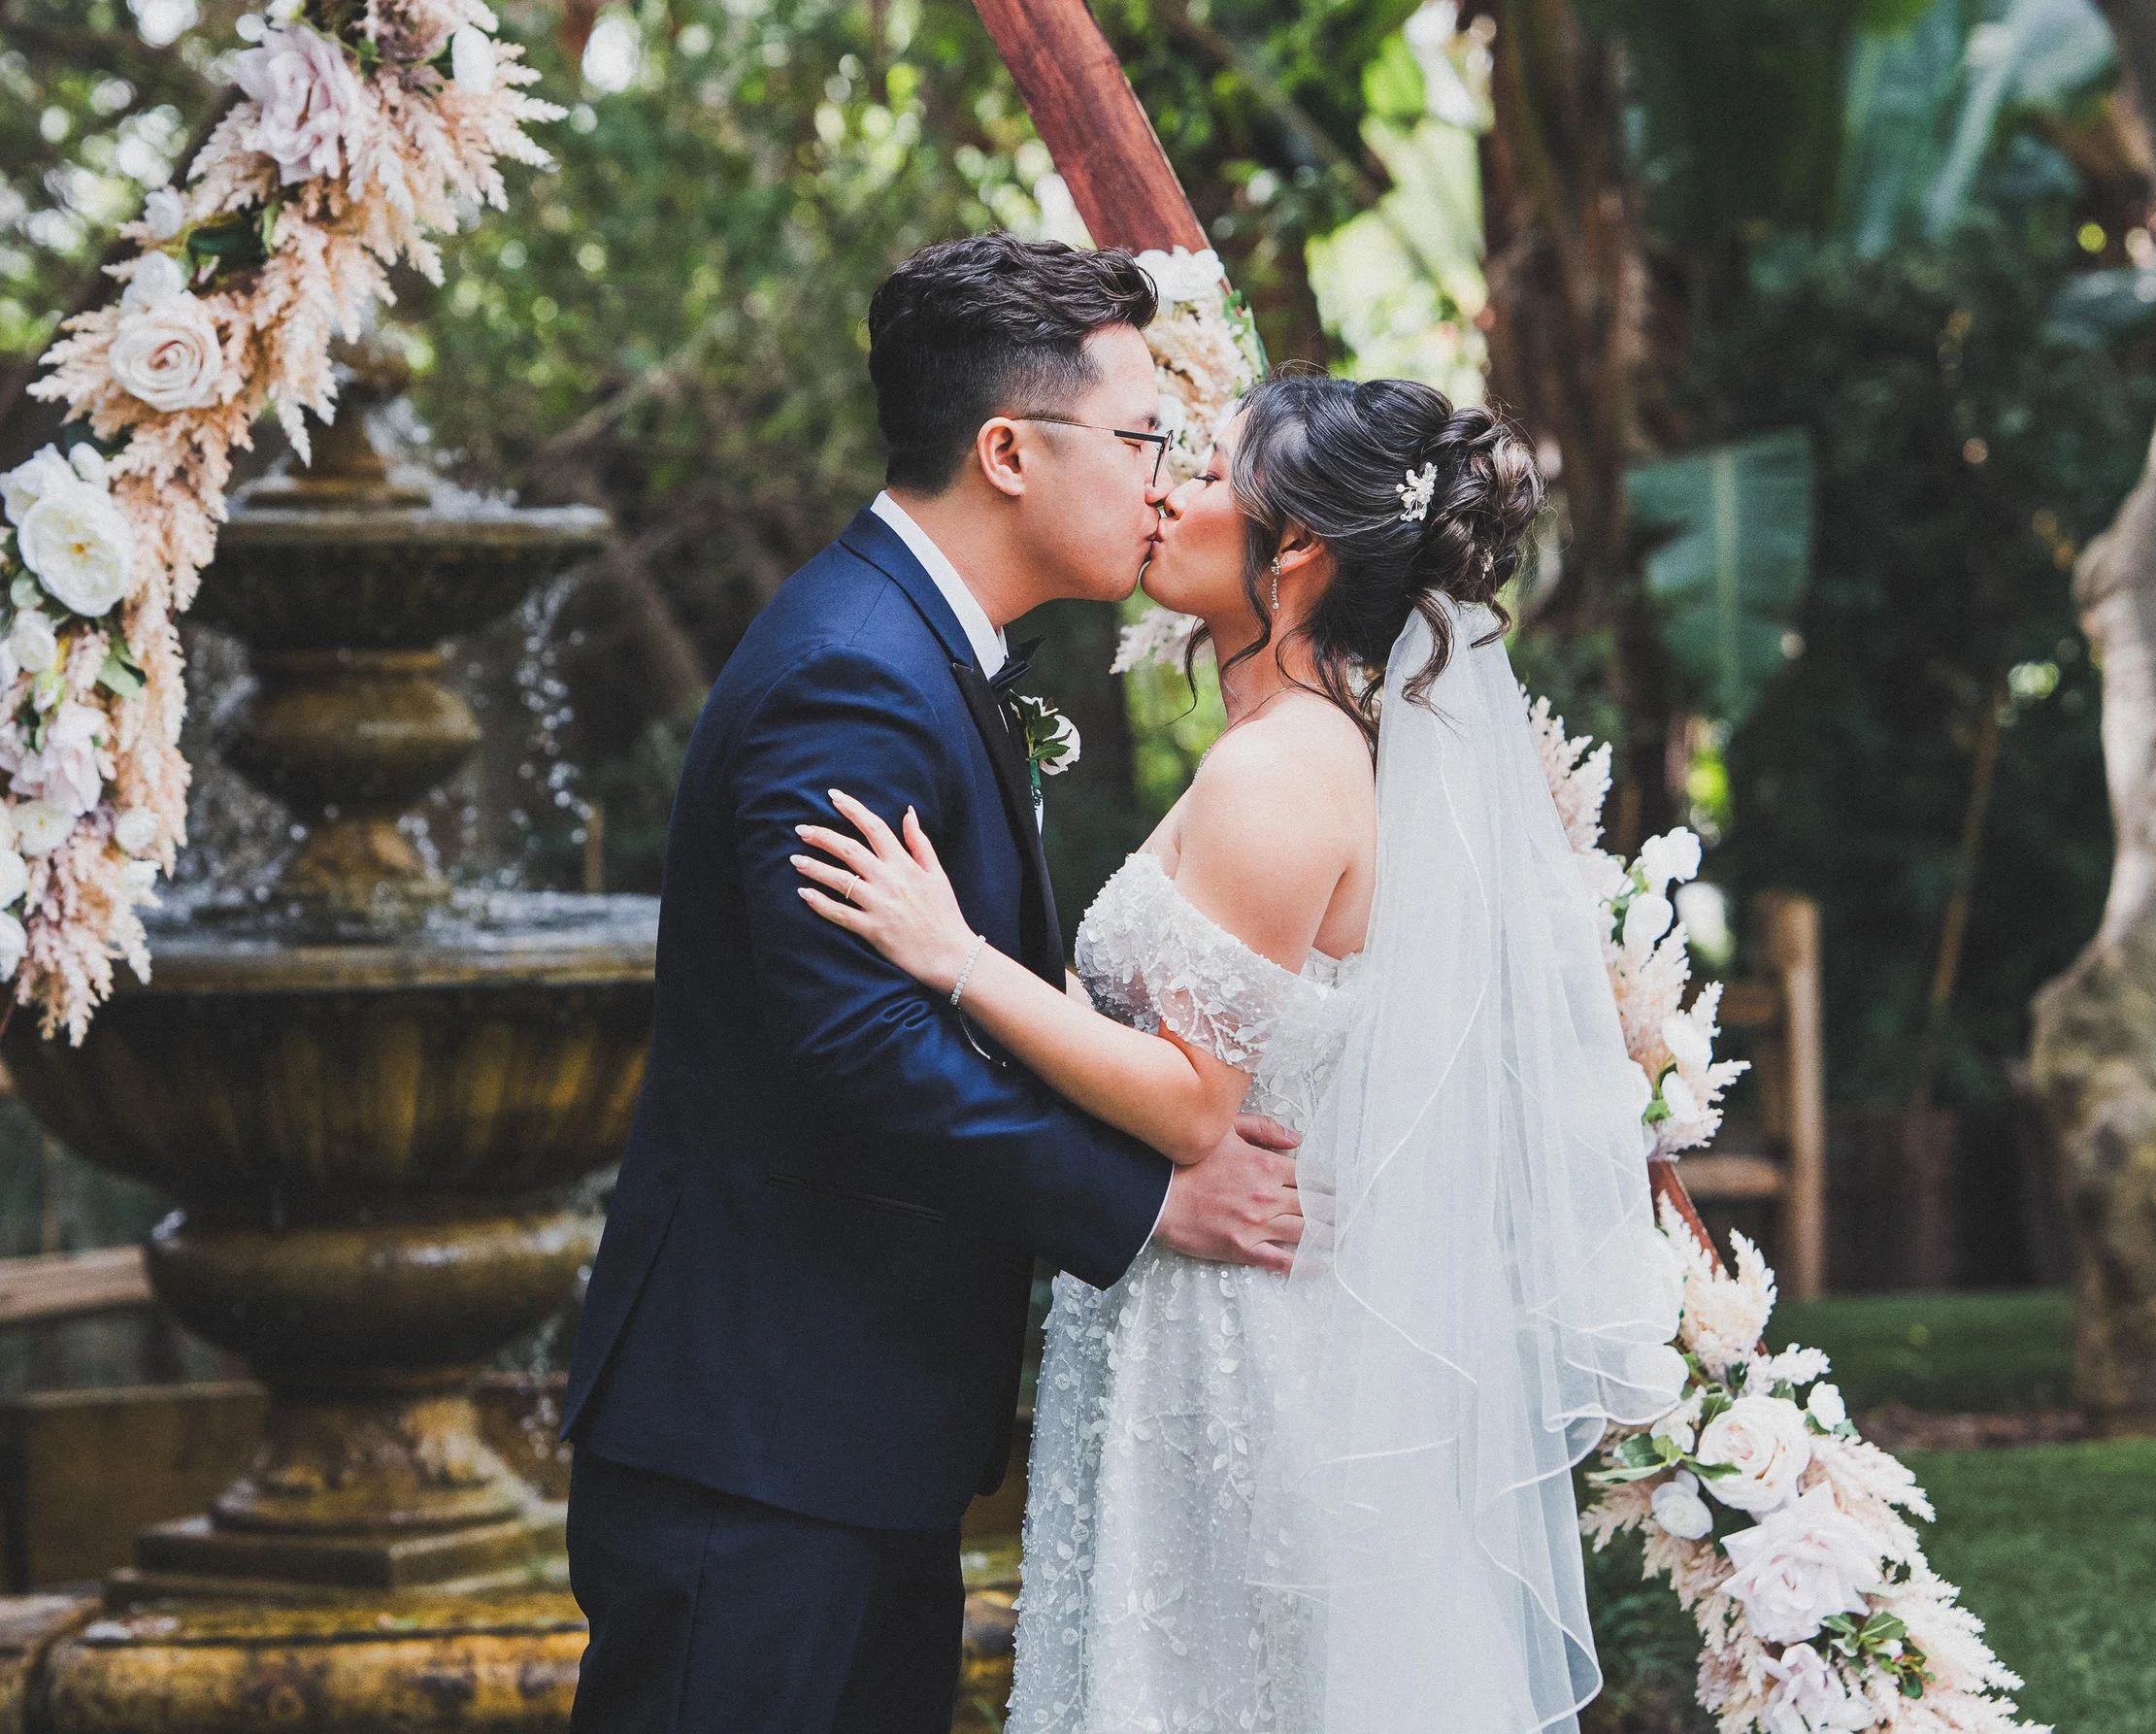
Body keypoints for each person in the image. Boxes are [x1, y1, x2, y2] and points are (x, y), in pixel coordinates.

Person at [798, 374, 1689, 1733]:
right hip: (1204, 1307)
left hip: (1234, 1340)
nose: (1163, 493)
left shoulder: (1279, 773)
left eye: (1206, 477)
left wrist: (957, 957)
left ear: (1299, 549)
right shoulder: (1291, 745)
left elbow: (1194, 1102)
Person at [557, 234, 1308, 1734]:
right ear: (1010, 450)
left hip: (848, 1425)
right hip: (756, 1436)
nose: (1164, 476)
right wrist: (1148, 1197)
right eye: (1142, 435)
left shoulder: (917, 649)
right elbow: (864, 1049)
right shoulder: (851, 672)